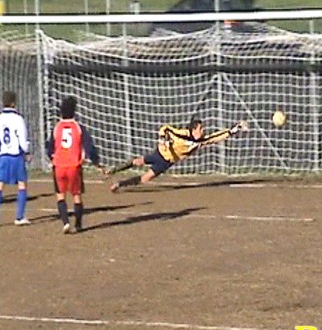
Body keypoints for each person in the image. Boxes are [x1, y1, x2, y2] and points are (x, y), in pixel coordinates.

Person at [107, 118, 248, 191]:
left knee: (145, 178)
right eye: (200, 129)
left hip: (166, 162)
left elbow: (216, 136)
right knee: (138, 161)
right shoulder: (182, 134)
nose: (203, 131)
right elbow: (165, 128)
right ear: (193, 130)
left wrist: (234, 130)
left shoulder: (201, 141)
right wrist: (162, 139)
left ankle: (120, 185)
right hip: (159, 153)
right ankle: (113, 170)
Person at [49, 96, 104, 234]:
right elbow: (89, 147)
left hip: (59, 166)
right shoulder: (78, 128)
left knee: (60, 195)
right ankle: (78, 224)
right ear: (74, 111)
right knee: (76, 195)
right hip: (74, 166)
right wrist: (97, 162)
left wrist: (52, 157)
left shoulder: (57, 128)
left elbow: (50, 148)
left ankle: (66, 223)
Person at [0, 91, 31, 227]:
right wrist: (27, 151)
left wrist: (0, 146)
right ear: (13, 103)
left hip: (3, 156)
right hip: (16, 156)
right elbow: (23, 139)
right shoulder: (18, 119)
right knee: (22, 184)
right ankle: (19, 217)